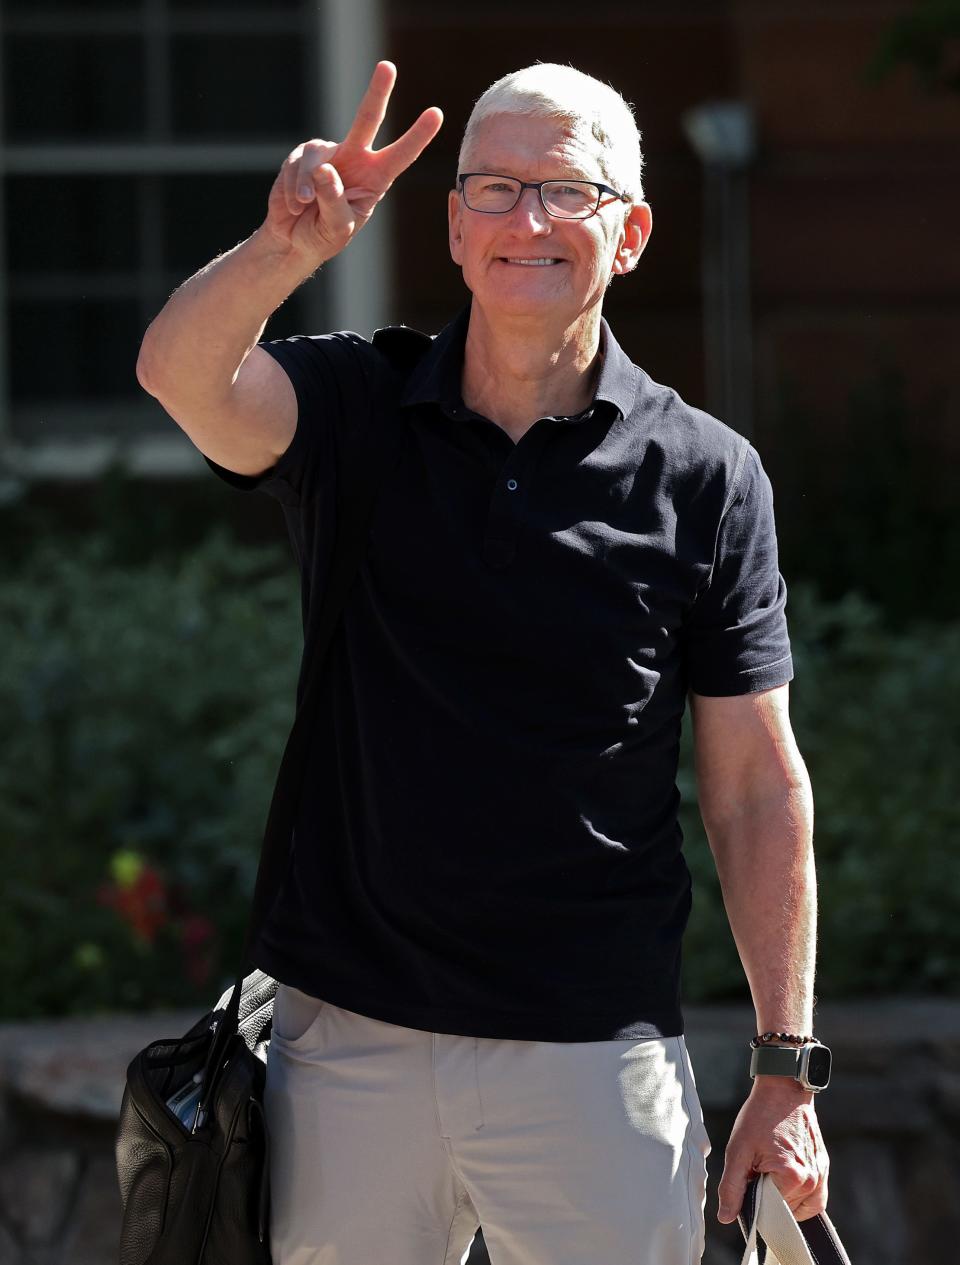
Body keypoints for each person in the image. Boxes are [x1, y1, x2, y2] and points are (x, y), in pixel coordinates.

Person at [137, 59, 829, 1265]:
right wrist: (281, 250)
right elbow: (180, 377)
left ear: (634, 232)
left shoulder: (708, 476)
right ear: (453, 228)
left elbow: (757, 787)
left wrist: (786, 1064)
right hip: (344, 1043)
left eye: (569, 187)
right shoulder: (355, 402)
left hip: (594, 1055)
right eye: (496, 189)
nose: (530, 220)